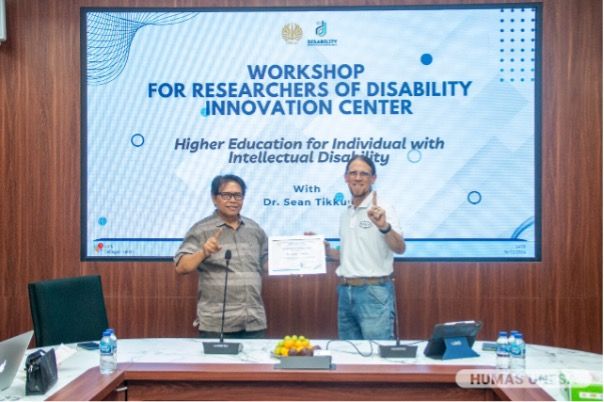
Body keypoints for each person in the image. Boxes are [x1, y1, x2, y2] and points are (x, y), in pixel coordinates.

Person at [174, 174, 268, 339]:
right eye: (226, 195)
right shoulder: (201, 229)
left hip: (253, 320)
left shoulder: (255, 229)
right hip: (217, 323)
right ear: (214, 198)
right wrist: (203, 252)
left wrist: (297, 259)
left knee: (254, 365)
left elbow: (266, 264)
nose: (233, 200)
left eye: (238, 195)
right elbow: (181, 267)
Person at [325, 155, 405, 340]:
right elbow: (350, 254)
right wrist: (326, 251)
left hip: (374, 293)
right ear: (346, 178)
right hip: (346, 292)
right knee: (349, 356)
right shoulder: (346, 213)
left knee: (378, 357)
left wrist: (384, 226)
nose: (358, 178)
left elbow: (400, 247)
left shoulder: (383, 208)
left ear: (373, 178)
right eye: (353, 173)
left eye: (364, 174)